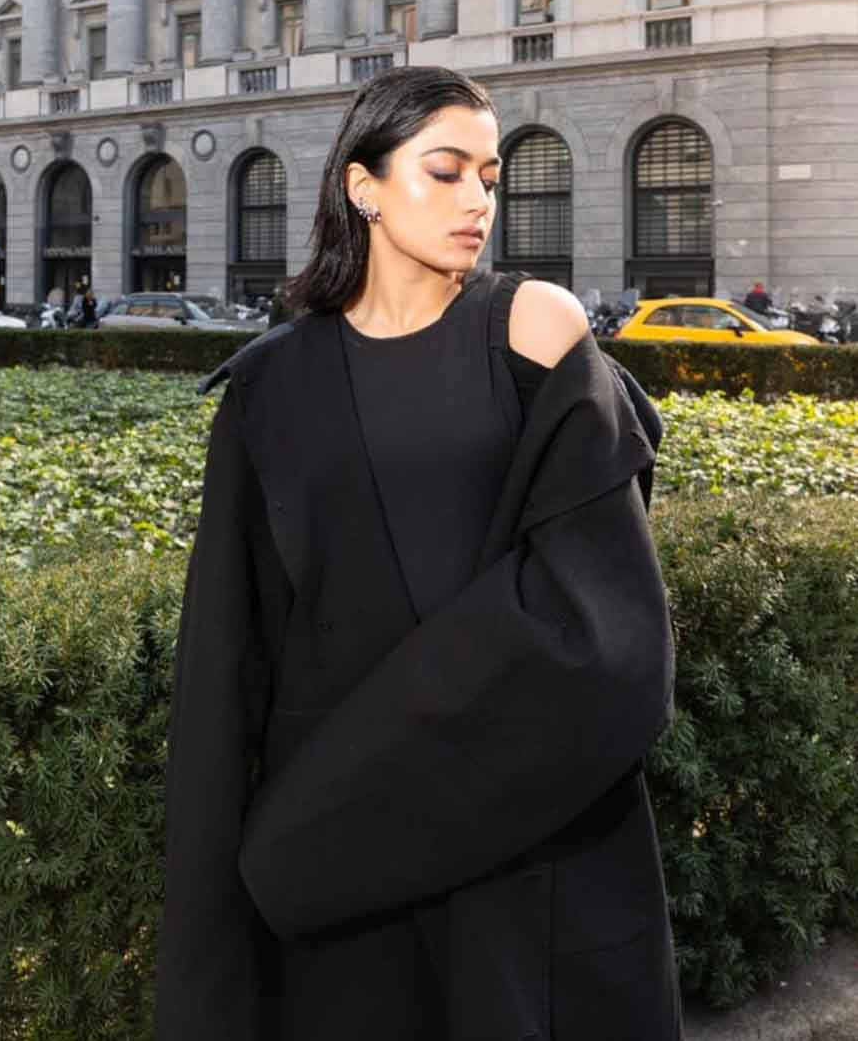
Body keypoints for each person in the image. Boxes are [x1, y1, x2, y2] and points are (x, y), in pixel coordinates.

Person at [154, 66, 682, 1041]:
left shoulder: (532, 329)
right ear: (364, 186)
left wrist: (317, 822)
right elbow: (227, 670)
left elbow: (604, 628)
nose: (479, 197)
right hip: (345, 912)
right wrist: (234, 911)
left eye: (490, 174)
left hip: (523, 854)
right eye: (445, 171)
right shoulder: (269, 389)